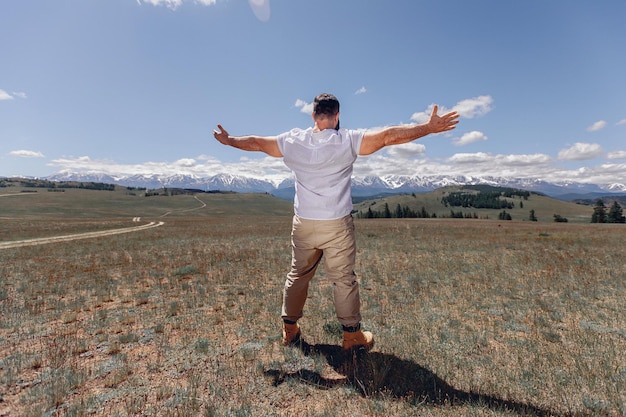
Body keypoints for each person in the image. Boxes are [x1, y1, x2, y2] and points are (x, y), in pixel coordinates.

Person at [213, 93, 459, 350]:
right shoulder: (348, 140)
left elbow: (256, 143)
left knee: (298, 274)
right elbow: (388, 136)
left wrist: (230, 141)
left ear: (313, 116)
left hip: (304, 223)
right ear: (337, 115)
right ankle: (352, 336)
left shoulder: (292, 140)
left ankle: (289, 330)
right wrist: (428, 128)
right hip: (337, 224)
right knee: (343, 279)